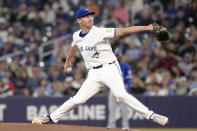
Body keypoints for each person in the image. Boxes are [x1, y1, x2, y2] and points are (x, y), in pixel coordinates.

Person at [32, 8, 168, 126]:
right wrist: (68, 61)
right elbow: (73, 46)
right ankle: (49, 117)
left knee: (120, 95)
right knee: (78, 99)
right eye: (86, 16)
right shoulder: (76, 36)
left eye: (91, 15)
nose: (90, 18)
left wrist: (148, 27)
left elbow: (123, 31)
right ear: (79, 21)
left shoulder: (100, 32)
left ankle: (151, 115)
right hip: (94, 73)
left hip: (109, 68)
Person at [107, 49, 132, 130]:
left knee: (123, 109)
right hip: (112, 88)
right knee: (112, 108)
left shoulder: (126, 66)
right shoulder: (111, 66)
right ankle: (111, 125)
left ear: (121, 56)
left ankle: (125, 126)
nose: (118, 57)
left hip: (122, 89)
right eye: (117, 56)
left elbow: (128, 79)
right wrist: (108, 90)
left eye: (119, 56)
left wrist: (128, 90)